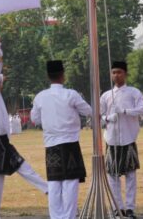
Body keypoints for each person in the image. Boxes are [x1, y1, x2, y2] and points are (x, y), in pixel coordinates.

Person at [0, 43, 48, 219]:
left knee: (17, 169)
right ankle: (47, 190)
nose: (1, 84)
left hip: (1, 141)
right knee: (1, 178)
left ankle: (47, 190)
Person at [31, 60, 92, 219]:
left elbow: (35, 119)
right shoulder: (71, 94)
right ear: (63, 75)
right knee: (70, 184)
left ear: (48, 76)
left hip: (51, 145)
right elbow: (88, 111)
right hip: (70, 144)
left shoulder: (40, 97)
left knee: (54, 183)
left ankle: (56, 216)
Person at [100, 61, 143, 219]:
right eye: (114, 72)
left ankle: (129, 208)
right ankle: (117, 207)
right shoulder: (106, 95)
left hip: (128, 139)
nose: (116, 75)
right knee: (112, 176)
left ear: (125, 74)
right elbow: (98, 118)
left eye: (119, 72)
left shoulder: (134, 92)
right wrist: (108, 118)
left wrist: (125, 111)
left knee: (130, 176)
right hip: (112, 140)